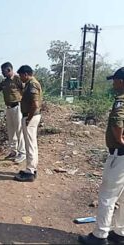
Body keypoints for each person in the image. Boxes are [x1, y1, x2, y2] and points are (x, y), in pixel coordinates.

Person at [78, 67, 124, 245]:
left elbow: (117, 121)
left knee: (107, 196)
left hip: (119, 155)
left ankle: (100, 235)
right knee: (123, 197)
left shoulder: (121, 100)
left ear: (121, 81)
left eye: (115, 80)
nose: (113, 83)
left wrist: (120, 140)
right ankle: (120, 233)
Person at [13, 65, 42, 182]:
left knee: (29, 145)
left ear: (25, 74)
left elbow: (35, 104)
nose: (20, 78)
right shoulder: (30, 84)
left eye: (20, 76)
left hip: (31, 116)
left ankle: (30, 171)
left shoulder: (32, 84)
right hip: (32, 116)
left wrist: (28, 119)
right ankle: (32, 168)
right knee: (32, 144)